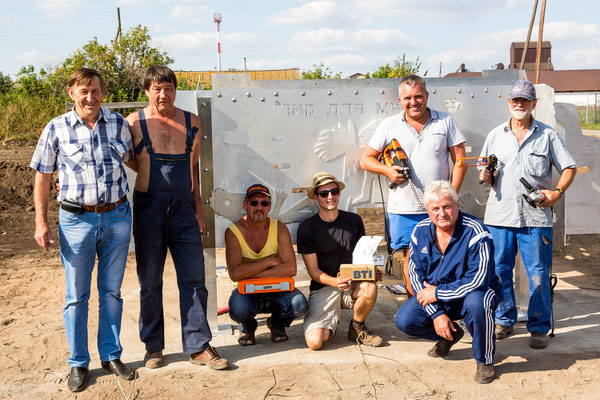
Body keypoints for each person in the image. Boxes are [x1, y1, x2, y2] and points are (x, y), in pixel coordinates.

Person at [31, 68, 135, 392]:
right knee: (77, 296)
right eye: (84, 91)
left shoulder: (118, 124)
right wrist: (41, 222)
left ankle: (111, 354)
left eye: (96, 91)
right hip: (76, 221)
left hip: (117, 216)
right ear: (71, 93)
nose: (90, 97)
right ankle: (78, 362)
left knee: (112, 292)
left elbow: (134, 161)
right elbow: (43, 177)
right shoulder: (56, 129)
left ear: (104, 92)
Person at [125, 65, 228, 370]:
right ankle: (153, 347)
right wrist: (148, 173)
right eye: (156, 88)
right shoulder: (134, 123)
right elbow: (130, 160)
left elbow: (193, 167)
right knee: (150, 281)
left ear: (175, 90)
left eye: (168, 88)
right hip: (149, 209)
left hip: (184, 208)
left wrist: (197, 206)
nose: (163, 94)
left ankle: (198, 346)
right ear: (147, 91)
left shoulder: (191, 122)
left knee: (194, 279)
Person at [479, 79, 577, 349]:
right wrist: (486, 175)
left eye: (525, 100)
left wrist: (556, 193)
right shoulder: (495, 135)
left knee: (538, 272)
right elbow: (485, 172)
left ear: (534, 104)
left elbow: (569, 167)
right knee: (499, 271)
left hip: (536, 218)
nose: (519, 105)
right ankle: (504, 320)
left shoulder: (548, 135)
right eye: (515, 100)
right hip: (500, 216)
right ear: (508, 103)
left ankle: (538, 327)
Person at [360, 74, 467, 297]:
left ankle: (442, 306)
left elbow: (460, 161)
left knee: (445, 256)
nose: (413, 102)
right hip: (404, 210)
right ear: (400, 100)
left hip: (439, 208)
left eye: (418, 96)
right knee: (411, 262)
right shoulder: (389, 124)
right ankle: (416, 308)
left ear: (427, 96)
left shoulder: (445, 121)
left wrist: (451, 197)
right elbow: (365, 159)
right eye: (407, 98)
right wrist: (387, 170)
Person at [395, 180, 501, 384]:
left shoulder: (477, 232)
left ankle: (485, 360)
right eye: (435, 208)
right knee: (405, 319)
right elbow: (415, 275)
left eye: (447, 206)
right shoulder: (420, 231)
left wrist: (438, 293)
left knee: (478, 304)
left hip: (475, 292)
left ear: (457, 204)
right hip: (438, 296)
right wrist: (436, 314)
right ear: (427, 210)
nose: (441, 213)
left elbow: (478, 280)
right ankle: (451, 334)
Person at [297, 171, 383, 350]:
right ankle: (326, 322)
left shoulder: (354, 221)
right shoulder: (307, 228)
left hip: (351, 284)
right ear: (315, 197)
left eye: (334, 192)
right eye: (324, 193)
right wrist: (336, 282)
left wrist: (370, 271)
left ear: (339, 193)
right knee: (315, 343)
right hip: (324, 287)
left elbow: (362, 255)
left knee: (370, 286)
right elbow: (313, 270)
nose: (330, 197)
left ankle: (357, 327)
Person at [225, 184, 308, 346]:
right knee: (238, 309)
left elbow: (291, 269)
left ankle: (277, 325)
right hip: (247, 292)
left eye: (264, 203)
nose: (259, 207)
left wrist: (248, 270)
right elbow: (234, 274)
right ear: (245, 205)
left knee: (299, 305)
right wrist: (269, 261)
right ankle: (248, 328)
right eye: (254, 203)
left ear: (269, 206)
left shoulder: (280, 229)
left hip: (278, 290)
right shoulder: (233, 232)